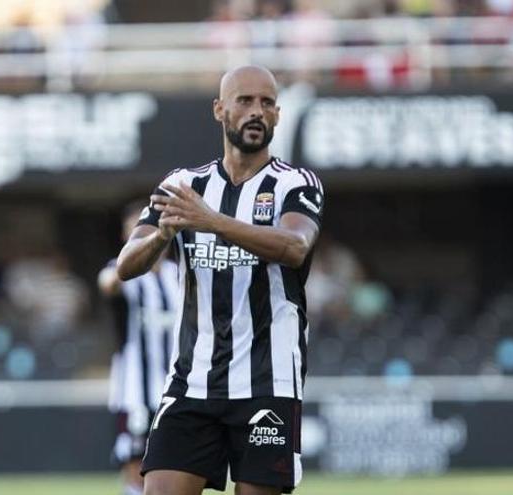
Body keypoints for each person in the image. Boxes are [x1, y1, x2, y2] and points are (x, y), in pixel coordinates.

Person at [117, 65, 324, 495]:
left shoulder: (295, 184)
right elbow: (127, 265)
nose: (256, 112)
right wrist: (163, 234)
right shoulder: (183, 185)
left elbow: (294, 246)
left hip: (268, 382)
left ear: (278, 115)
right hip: (193, 380)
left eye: (267, 103)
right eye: (245, 101)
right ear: (219, 110)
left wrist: (211, 221)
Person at [99, 201, 180, 495]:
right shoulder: (123, 273)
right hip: (135, 389)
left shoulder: (178, 275)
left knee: (174, 466)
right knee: (134, 463)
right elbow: (108, 284)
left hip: (176, 388)